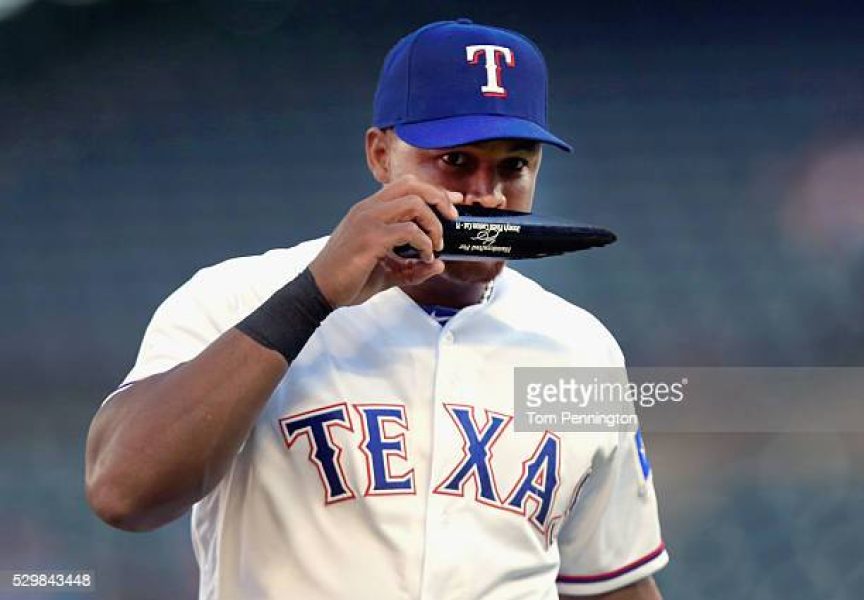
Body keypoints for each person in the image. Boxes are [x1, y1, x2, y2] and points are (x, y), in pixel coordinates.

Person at [85, 19, 668, 600]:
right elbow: (124, 493)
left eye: (514, 165)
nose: (488, 195)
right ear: (381, 154)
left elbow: (611, 581)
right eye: (456, 161)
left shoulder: (579, 347)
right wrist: (312, 298)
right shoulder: (238, 295)